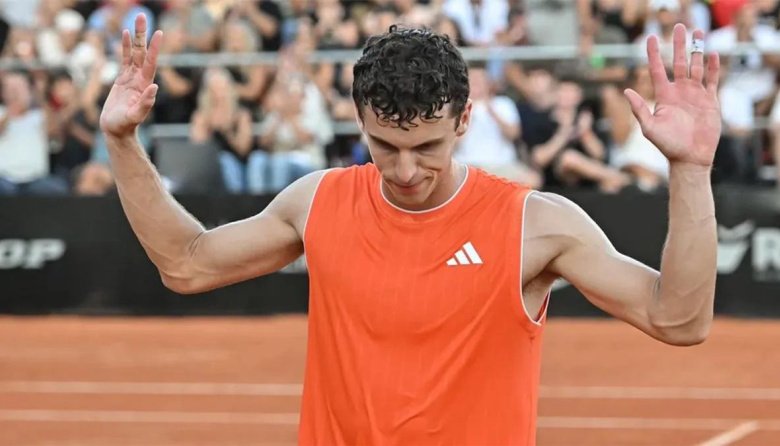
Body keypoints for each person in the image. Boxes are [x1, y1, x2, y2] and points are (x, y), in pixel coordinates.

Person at [101, 14, 720, 444]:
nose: (404, 170)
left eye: (425, 146)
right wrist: (122, 140)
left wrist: (690, 169)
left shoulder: (536, 223)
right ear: (359, 120)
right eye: (383, 145)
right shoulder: (318, 201)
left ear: (464, 120)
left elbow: (679, 319)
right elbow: (187, 263)